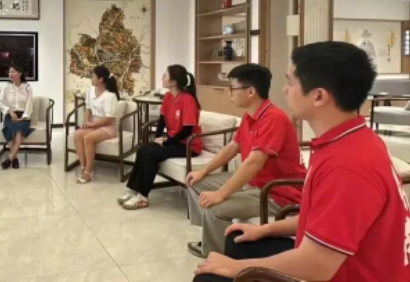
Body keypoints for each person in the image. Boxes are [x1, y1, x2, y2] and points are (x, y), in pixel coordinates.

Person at [194, 42, 410, 282]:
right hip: (334, 260)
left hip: (345, 272)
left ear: (318, 96)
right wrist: (266, 229)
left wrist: (237, 268)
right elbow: (321, 221)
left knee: (209, 278)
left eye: (290, 82)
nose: (284, 90)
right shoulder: (350, 140)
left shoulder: (346, 166)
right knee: (237, 242)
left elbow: (318, 265)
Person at [185, 64, 306, 258]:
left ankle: (217, 256)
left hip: (277, 192)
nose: (229, 93)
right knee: (195, 182)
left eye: (232, 88)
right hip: (254, 183)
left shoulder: (273, 118)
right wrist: (203, 171)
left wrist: (221, 194)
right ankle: (211, 237)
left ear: (250, 91)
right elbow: (233, 147)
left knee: (215, 208)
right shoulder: (250, 116)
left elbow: (254, 163)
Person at [117, 65, 202, 210]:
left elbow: (187, 130)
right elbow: (162, 120)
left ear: (173, 82)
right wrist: (156, 139)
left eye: (165, 75)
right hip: (174, 141)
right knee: (143, 150)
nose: (163, 78)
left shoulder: (188, 100)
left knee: (151, 154)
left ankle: (143, 197)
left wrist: (167, 141)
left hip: (188, 145)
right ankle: (134, 189)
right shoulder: (168, 97)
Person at [74, 65, 122, 184]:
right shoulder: (90, 90)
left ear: (101, 79)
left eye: (93, 76)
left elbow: (108, 118)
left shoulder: (110, 96)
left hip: (108, 126)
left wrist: (91, 125)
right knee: (77, 134)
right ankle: (83, 167)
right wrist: (86, 122)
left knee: (88, 138)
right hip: (93, 123)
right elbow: (88, 108)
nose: (91, 78)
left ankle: (88, 172)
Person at [0, 64, 34, 169]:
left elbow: (29, 104)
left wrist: (24, 117)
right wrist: (9, 111)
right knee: (8, 130)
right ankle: (15, 158)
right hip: (10, 114)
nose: (10, 74)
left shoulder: (27, 87)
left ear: (20, 73)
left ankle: (9, 159)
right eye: (9, 72)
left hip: (23, 115)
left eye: (13, 72)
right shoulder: (6, 87)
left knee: (19, 131)